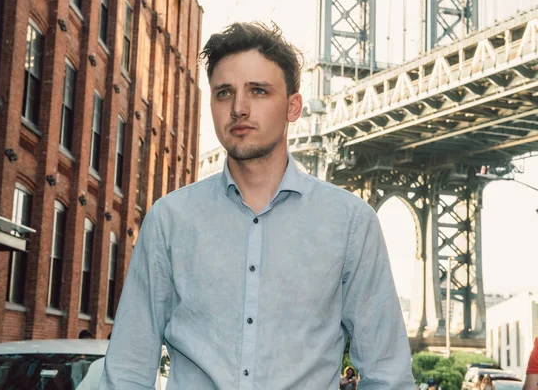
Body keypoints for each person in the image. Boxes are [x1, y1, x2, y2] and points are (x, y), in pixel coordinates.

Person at [101, 21, 415, 389]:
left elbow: (388, 374)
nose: (238, 108)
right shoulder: (169, 220)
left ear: (293, 107)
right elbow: (127, 368)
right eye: (223, 93)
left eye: (259, 91)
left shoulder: (350, 223)